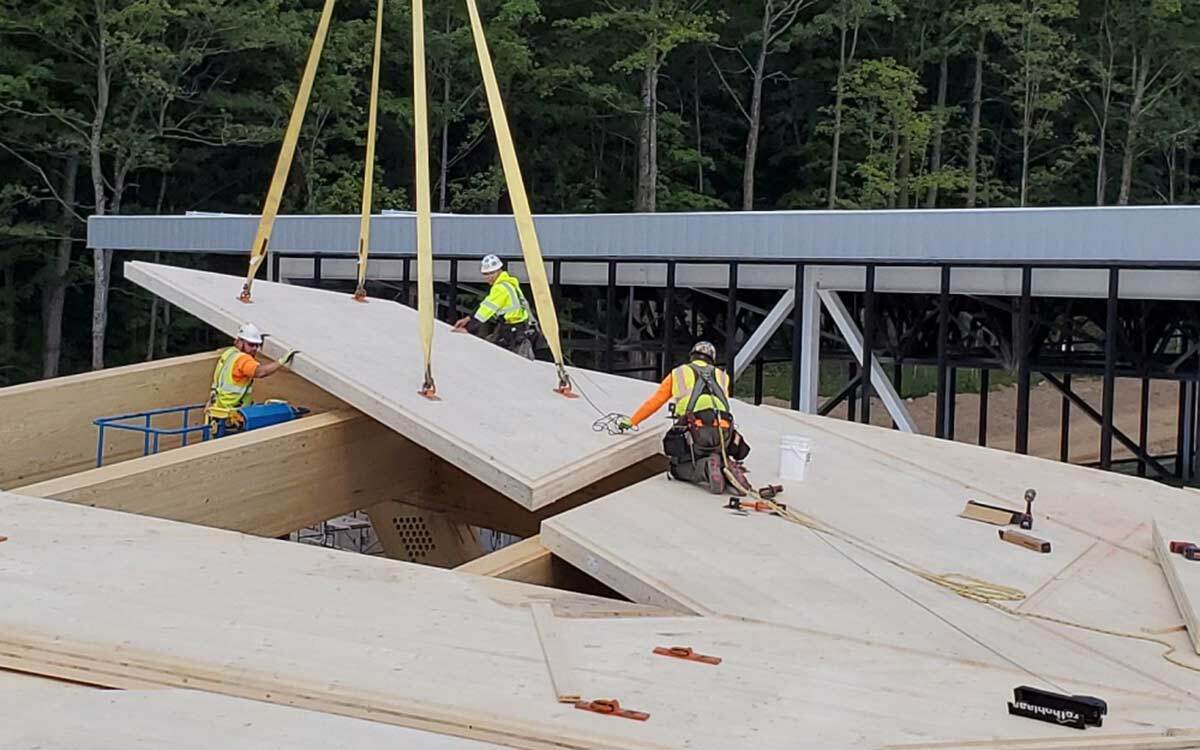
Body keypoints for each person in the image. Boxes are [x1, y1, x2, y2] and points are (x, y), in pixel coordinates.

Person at [618, 341, 751, 495]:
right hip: (723, 432)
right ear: (712, 360)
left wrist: (631, 421)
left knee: (677, 467)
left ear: (692, 356)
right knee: (713, 448)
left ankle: (706, 467)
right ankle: (725, 464)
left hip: (694, 430)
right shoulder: (723, 376)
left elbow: (654, 402)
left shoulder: (678, 373)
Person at [205, 323, 296, 436]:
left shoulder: (229, 353)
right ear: (240, 342)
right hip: (233, 413)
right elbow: (260, 372)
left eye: (257, 345)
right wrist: (281, 362)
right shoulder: (243, 360)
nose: (254, 349)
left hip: (219, 409)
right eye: (251, 345)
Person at [452, 254, 537, 360]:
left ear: (499, 271)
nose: (488, 277)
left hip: (513, 331)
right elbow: (485, 304)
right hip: (516, 328)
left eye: (491, 273)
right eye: (486, 274)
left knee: (495, 357)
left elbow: (484, 313)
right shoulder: (509, 283)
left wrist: (467, 329)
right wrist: (468, 318)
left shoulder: (500, 288)